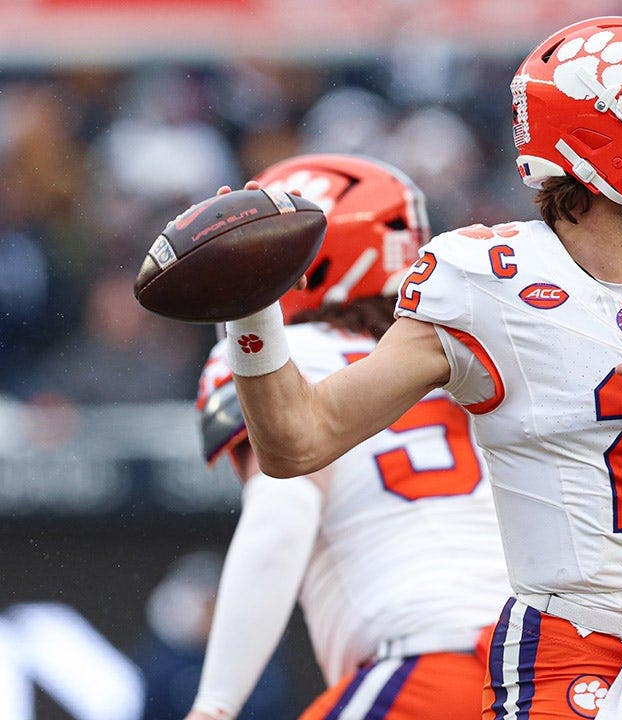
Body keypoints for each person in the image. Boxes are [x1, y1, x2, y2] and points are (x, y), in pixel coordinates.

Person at [207, 17, 622, 720]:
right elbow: (299, 442)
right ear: (600, 131)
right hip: (571, 652)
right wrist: (250, 309)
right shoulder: (484, 279)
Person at [183, 154, 510, 720]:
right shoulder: (458, 355)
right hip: (542, 670)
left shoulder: (290, 361)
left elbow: (282, 512)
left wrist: (215, 704)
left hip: (426, 664)